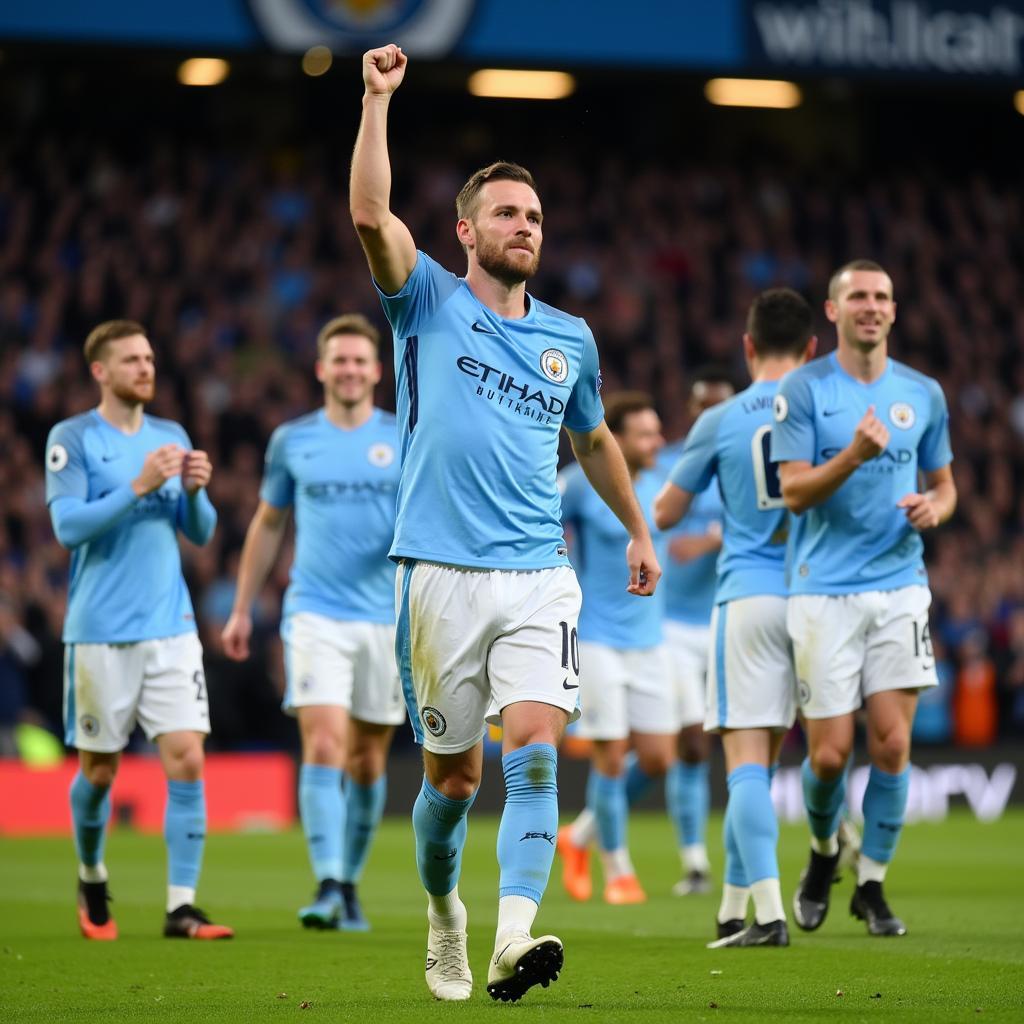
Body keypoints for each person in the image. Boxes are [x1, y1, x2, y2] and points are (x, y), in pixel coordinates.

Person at [350, 44, 661, 1003]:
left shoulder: (570, 338)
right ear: (465, 229)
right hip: (436, 574)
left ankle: (512, 940)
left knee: (534, 749)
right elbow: (368, 212)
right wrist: (374, 99)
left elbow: (598, 440)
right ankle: (446, 913)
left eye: (534, 216)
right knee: (450, 783)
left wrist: (640, 530)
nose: (525, 227)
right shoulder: (427, 300)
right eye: (507, 214)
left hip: (538, 573)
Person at [772, 260, 956, 937]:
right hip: (822, 590)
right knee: (826, 756)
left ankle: (872, 884)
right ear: (833, 310)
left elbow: (945, 484)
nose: (871, 307)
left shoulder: (923, 394)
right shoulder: (804, 389)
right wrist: (851, 455)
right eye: (858, 297)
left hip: (900, 586)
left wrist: (936, 507)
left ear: (894, 310)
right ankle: (824, 855)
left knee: (893, 745)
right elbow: (793, 491)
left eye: (881, 297)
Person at [45, 319, 232, 941]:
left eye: (149, 358)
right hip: (99, 631)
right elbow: (69, 529)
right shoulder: (72, 439)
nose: (146, 368)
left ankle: (182, 907)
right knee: (99, 771)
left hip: (170, 627)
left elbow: (198, 533)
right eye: (131, 361)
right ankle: (92, 874)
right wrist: (140, 484)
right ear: (100, 371)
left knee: (186, 757)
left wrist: (196, 494)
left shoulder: (169, 435)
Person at [221, 314, 404, 931]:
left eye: (360, 361)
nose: (350, 370)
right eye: (340, 361)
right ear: (321, 369)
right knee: (324, 742)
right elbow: (269, 524)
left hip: (387, 619)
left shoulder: (405, 435)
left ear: (377, 371)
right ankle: (327, 881)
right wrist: (243, 607)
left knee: (369, 763)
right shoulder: (293, 441)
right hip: (315, 611)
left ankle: (349, 882)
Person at [654, 289, 818, 947]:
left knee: (744, 761)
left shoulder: (720, 418)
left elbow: (664, 513)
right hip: (817, 597)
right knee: (768, 759)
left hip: (746, 596)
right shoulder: (828, 413)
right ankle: (730, 911)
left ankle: (772, 916)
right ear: (812, 350)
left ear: (748, 347)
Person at [556, 392, 674, 906]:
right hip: (597, 636)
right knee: (609, 756)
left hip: (650, 639)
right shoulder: (580, 486)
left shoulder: (667, 484)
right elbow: (540, 521)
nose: (657, 441)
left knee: (657, 758)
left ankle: (578, 836)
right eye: (646, 433)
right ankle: (618, 870)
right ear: (618, 440)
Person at [658, 369, 735, 896]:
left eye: (721, 406)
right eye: (704, 405)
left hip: (730, 614)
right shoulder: (667, 465)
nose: (712, 414)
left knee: (728, 736)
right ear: (691, 408)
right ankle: (695, 863)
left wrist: (708, 542)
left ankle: (591, 825)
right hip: (671, 624)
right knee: (688, 741)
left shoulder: (745, 464)